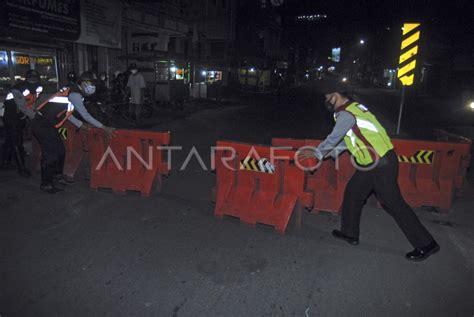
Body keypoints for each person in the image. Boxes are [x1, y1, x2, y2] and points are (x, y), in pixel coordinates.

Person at [299, 91, 439, 261]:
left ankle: (426, 244)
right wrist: (328, 154)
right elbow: (347, 140)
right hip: (371, 163)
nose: (326, 101)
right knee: (353, 193)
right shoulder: (354, 109)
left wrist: (317, 152)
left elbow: (334, 137)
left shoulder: (346, 113)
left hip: (380, 164)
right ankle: (349, 233)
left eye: (327, 97)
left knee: (394, 203)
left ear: (337, 95)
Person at [32, 71, 115, 194]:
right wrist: (104, 127)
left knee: (60, 151)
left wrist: (80, 125)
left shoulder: (73, 92)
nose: (93, 86)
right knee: (50, 154)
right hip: (42, 123)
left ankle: (57, 177)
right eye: (91, 83)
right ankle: (46, 183)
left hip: (48, 124)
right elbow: (85, 114)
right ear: (83, 82)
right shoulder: (74, 94)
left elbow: (68, 114)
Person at [1, 70, 43, 177]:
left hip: (20, 116)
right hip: (10, 116)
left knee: (11, 140)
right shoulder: (18, 88)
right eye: (31, 79)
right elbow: (21, 106)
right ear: (27, 79)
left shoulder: (37, 87)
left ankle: (5, 162)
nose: (33, 81)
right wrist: (34, 116)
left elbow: (31, 102)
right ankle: (21, 168)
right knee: (17, 141)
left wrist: (33, 113)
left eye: (35, 79)